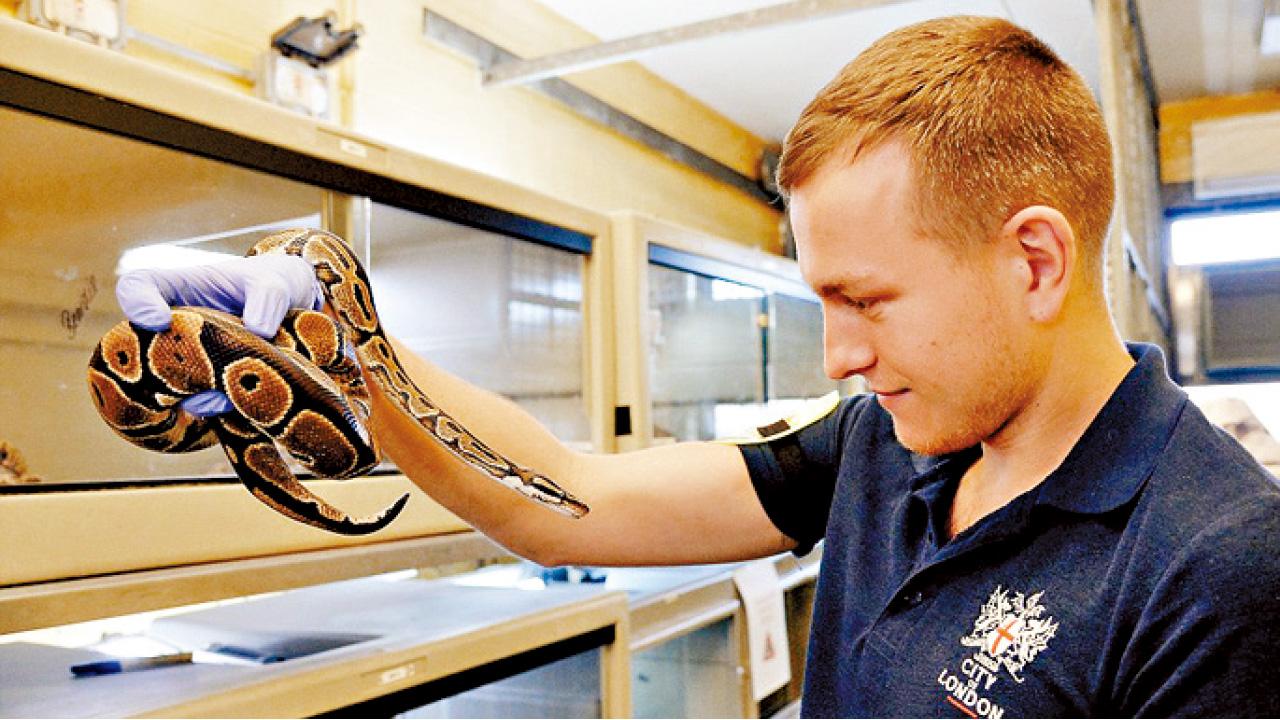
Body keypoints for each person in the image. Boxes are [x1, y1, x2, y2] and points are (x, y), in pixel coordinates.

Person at [115, 15, 1280, 717]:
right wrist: (333, 337)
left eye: (865, 299)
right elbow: (567, 503)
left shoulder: (1216, 566)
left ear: (1031, 262)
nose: (839, 356)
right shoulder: (884, 443)